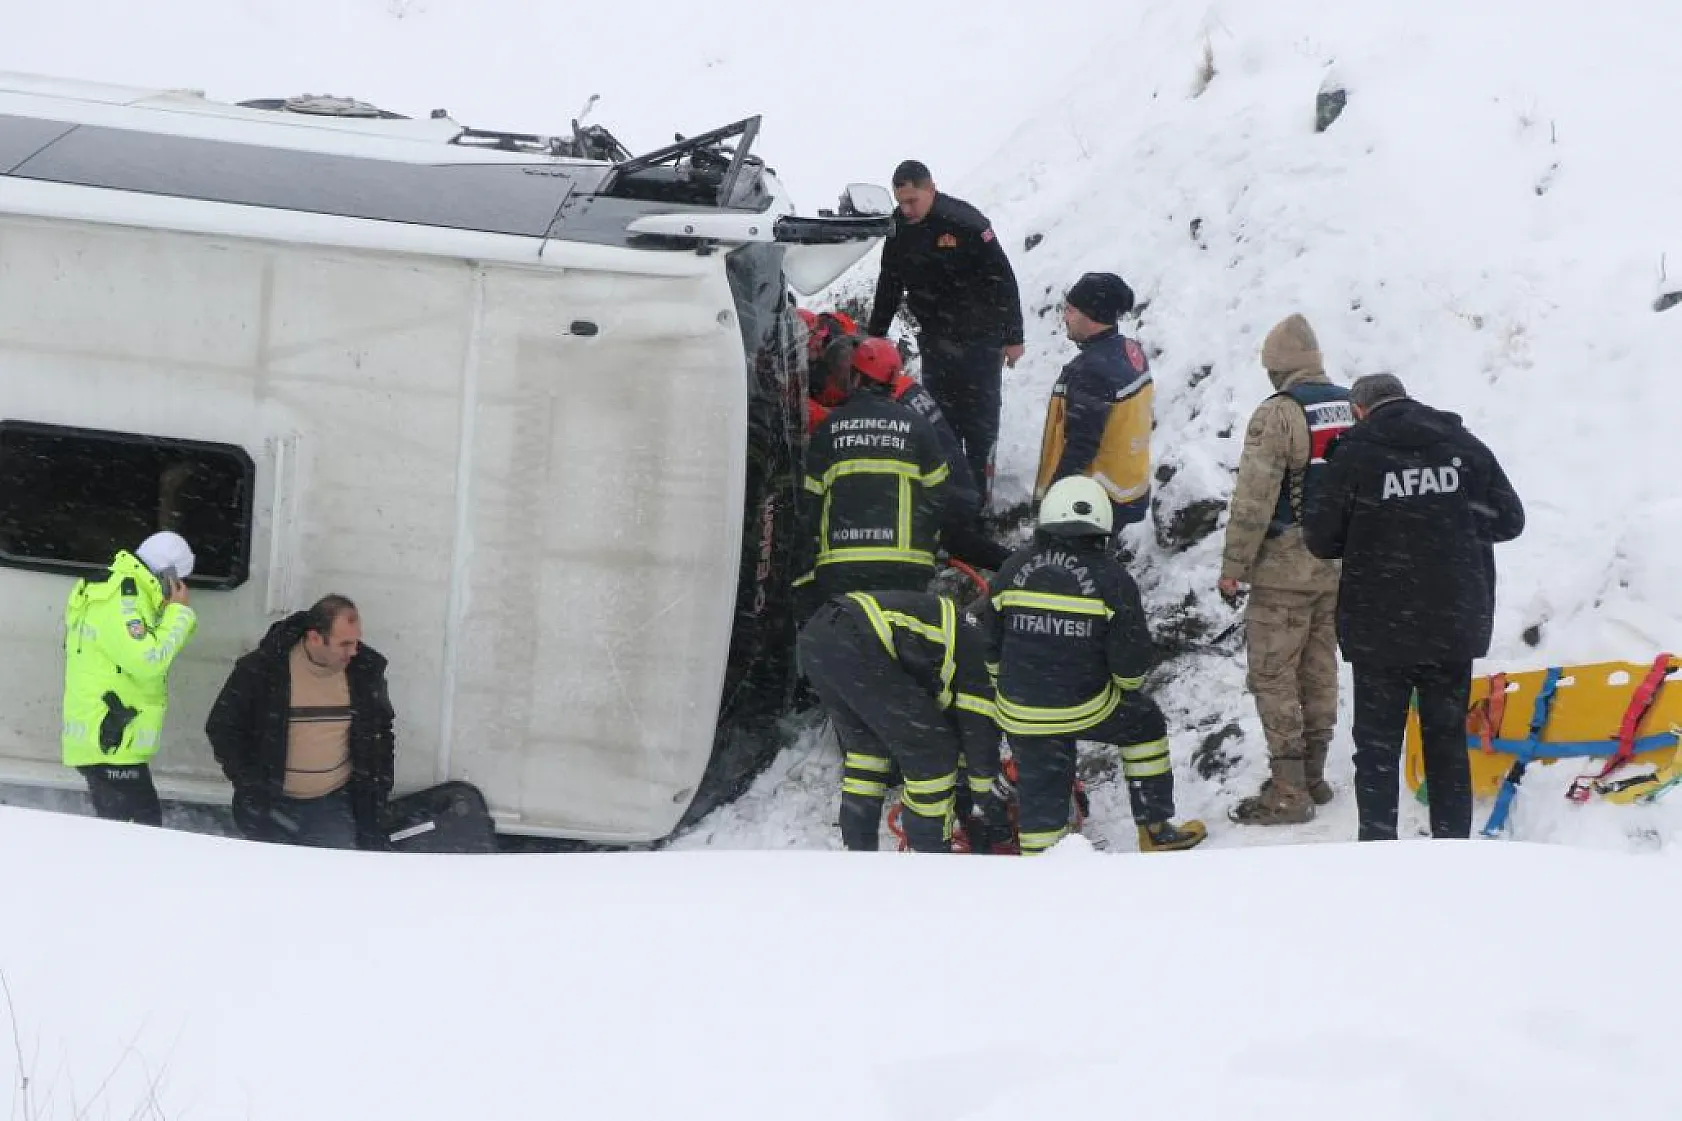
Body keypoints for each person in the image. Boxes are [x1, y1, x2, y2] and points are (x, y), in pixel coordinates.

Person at [1304, 373, 1525, 840]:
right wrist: (1452, 527)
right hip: (1451, 620)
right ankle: (1452, 846)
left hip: (1379, 626)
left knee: (1377, 748)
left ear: (1358, 410)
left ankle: (1378, 847)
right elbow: (1509, 520)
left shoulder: (1353, 455)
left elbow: (1321, 540)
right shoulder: (1462, 445)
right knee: (1446, 742)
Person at [974, 476, 1207, 854]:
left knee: (1042, 791)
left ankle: (1039, 859)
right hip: (1085, 705)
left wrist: (1013, 690)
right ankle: (1155, 830)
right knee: (1144, 722)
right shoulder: (1112, 579)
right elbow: (1130, 671)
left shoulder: (1011, 570)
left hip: (1019, 710)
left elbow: (990, 647)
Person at [1218, 314, 1354, 824]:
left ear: (1277, 368)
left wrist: (1234, 566)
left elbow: (1254, 498)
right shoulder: (1351, 407)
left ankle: (1288, 792)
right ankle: (1313, 776)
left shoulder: (1278, 413)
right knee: (1319, 671)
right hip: (1336, 564)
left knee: (1274, 676)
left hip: (1283, 570)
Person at [866, 160, 1025, 507]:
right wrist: (873, 336)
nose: (907, 210)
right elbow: (889, 285)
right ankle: (951, 502)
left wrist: (1014, 336)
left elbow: (1003, 278)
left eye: (912, 201)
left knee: (980, 426)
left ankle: (980, 503)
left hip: (981, 339)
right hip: (936, 340)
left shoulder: (965, 222)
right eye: (901, 202)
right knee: (942, 424)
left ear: (931, 189)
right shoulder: (898, 228)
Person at [797, 589, 1006, 852]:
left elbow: (967, 746)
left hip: (822, 637)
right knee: (931, 752)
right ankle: (928, 857)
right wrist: (995, 820)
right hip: (858, 635)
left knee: (867, 757)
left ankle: (858, 856)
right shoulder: (982, 653)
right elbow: (979, 747)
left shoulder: (964, 635)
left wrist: (969, 812)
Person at [206, 594, 396, 849]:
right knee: (272, 872)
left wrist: (379, 789)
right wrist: (249, 782)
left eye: (356, 641)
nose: (354, 651)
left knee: (332, 871)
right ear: (315, 638)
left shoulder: (364, 672)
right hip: (272, 804)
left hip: (334, 805)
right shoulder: (264, 669)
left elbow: (381, 732)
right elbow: (222, 726)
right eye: (344, 644)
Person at [811, 332, 1012, 572]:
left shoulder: (888, 406)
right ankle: (1015, 566)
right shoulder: (900, 386)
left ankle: (1016, 568)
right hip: (955, 488)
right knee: (967, 544)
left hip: (939, 496)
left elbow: (850, 435)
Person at [794, 337, 958, 613]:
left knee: (849, 632)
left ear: (855, 377)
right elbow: (941, 495)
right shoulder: (917, 428)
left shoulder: (829, 429)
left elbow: (808, 503)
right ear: (893, 382)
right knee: (899, 633)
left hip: (842, 566)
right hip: (906, 568)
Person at [60, 531, 199, 825]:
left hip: (110, 735)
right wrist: (179, 614)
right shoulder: (124, 600)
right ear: (169, 576)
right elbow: (148, 661)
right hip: (112, 738)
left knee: (129, 832)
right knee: (139, 834)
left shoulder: (121, 591)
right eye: (181, 580)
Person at [1034, 271, 1154, 532]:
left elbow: (1081, 446)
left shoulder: (1091, 372)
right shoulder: (1129, 351)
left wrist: (1055, 495)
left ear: (1091, 316)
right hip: (1127, 490)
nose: (1065, 317)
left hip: (1093, 504)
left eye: (1070, 310)